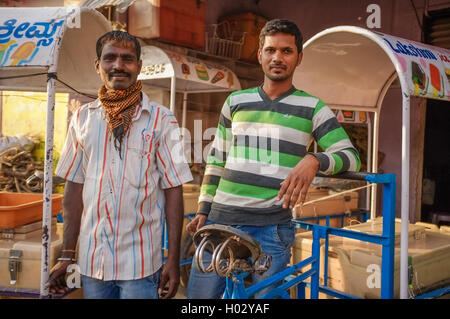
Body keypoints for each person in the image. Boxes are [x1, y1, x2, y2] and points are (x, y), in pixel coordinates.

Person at [186, 19, 361, 298]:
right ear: (260, 55)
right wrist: (203, 211)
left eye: (286, 51)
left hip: (270, 228)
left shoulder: (312, 107)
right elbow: (217, 161)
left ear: (298, 58)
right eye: (270, 50)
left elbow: (350, 157)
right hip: (220, 221)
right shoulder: (235, 102)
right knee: (199, 300)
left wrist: (314, 160)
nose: (277, 57)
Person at [46, 31, 193, 299]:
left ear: (138, 66)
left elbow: (174, 190)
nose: (118, 65)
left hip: (141, 264)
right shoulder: (82, 118)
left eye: (127, 59)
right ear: (97, 64)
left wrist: (172, 259)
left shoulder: (161, 119)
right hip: (93, 264)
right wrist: (67, 254)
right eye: (110, 58)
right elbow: (74, 189)